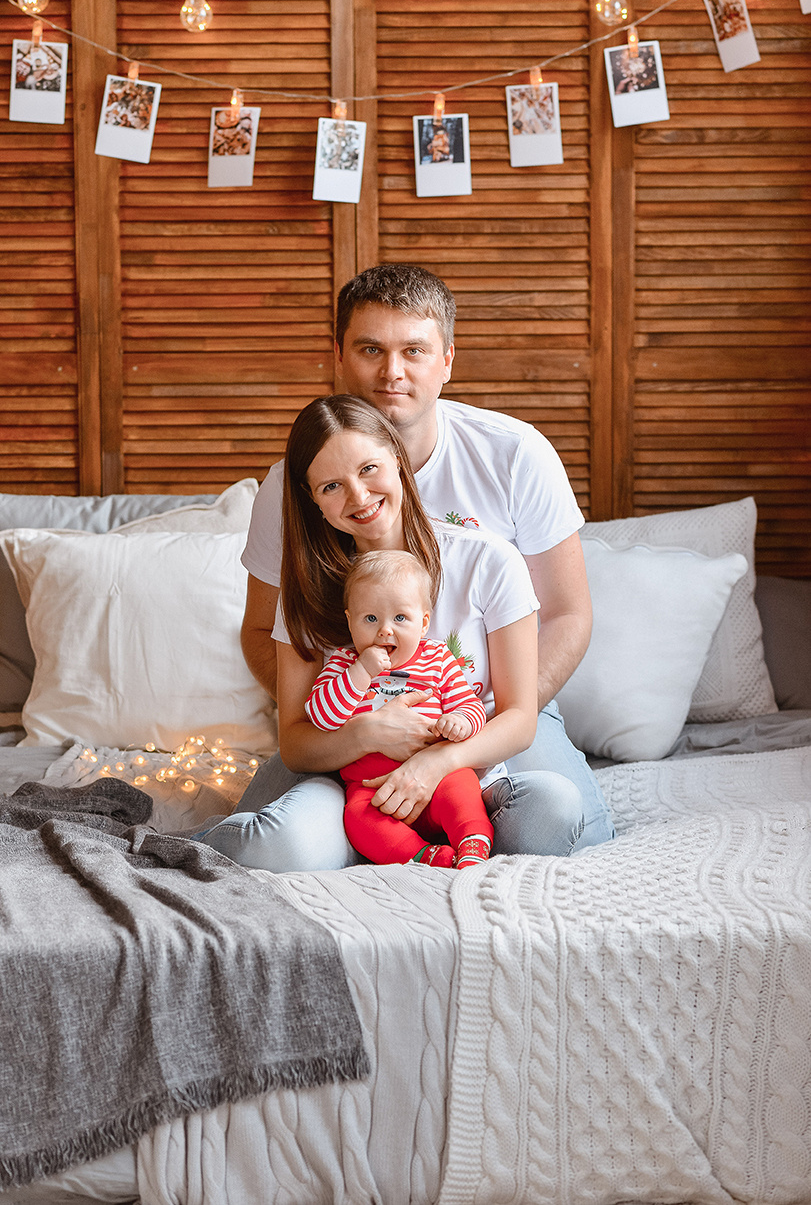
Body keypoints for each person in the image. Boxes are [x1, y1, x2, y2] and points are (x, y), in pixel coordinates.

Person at [231, 263, 614, 867]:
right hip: (353, 711)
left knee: (575, 836)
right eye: (370, 350)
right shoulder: (293, 487)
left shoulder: (514, 455)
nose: (392, 372)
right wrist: (348, 725)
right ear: (339, 356)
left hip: (491, 700)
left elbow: (568, 615)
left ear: (447, 360)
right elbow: (263, 632)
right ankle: (375, 834)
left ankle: (437, 829)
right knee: (259, 847)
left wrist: (466, 730)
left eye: (414, 350)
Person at [194, 395, 595, 872]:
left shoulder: (487, 561)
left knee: (556, 808)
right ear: (313, 501)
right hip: (351, 786)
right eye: (331, 486)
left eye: (368, 469)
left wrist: (434, 764)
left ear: (398, 462)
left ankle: (441, 844)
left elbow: (520, 719)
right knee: (280, 847)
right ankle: (365, 842)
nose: (358, 497)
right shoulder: (307, 587)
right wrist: (367, 735)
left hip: (460, 776)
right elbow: (297, 744)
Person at [307, 548, 493, 869]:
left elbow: (471, 705)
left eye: (400, 618)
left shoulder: (436, 659)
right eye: (370, 619)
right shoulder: (344, 663)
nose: (385, 630)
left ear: (423, 624)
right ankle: (425, 856)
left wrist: (460, 721)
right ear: (350, 621)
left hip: (436, 778)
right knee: (356, 818)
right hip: (372, 791)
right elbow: (322, 716)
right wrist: (361, 672)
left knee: (462, 785)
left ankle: (472, 840)